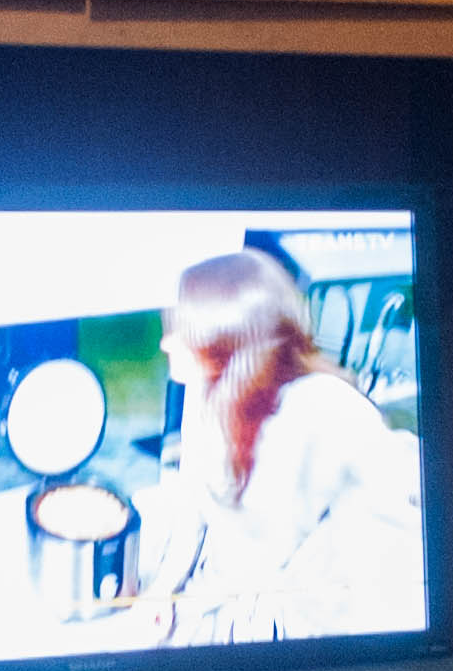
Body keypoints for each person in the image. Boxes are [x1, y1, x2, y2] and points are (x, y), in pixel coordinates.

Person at [142, 251, 424, 649]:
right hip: (253, 588)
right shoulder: (209, 391)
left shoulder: (314, 410)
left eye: (183, 330)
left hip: (337, 628)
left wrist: (176, 614)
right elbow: (194, 502)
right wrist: (163, 588)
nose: (165, 342)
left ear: (227, 340)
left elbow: (249, 562)